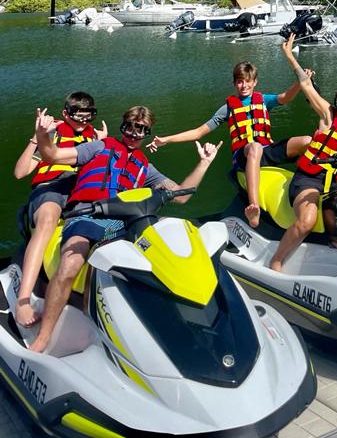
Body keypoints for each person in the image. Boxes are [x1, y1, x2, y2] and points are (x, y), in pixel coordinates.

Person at [28, 105, 221, 353]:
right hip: (89, 215)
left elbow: (181, 195)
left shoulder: (145, 167)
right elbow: (52, 155)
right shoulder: (99, 147)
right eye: (130, 127)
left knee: (163, 254)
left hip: (127, 222)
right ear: (123, 126)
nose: (133, 133)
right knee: (71, 263)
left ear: (147, 133)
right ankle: (44, 337)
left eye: (140, 129)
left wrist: (204, 164)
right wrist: (43, 135)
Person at [149, 60, 310, 228]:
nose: (244, 85)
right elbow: (199, 132)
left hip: (265, 150)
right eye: (240, 81)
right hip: (244, 156)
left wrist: (300, 82)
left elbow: (286, 97)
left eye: (248, 81)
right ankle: (253, 208)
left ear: (255, 82)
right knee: (254, 147)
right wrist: (166, 139)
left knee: (307, 141)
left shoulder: (264, 100)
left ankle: (306, 185)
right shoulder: (227, 108)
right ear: (234, 84)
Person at [270, 35, 337, 272]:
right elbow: (306, 85)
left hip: (336, 182)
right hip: (309, 179)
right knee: (306, 221)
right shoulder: (328, 116)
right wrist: (290, 56)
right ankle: (277, 259)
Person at [12, 92, 107, 328]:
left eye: (89, 116)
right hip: (51, 188)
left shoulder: (95, 137)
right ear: (66, 114)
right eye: (78, 116)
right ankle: (23, 300)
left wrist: (102, 143)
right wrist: (38, 137)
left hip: (82, 192)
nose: (84, 121)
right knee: (47, 221)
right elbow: (20, 172)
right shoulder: (52, 132)